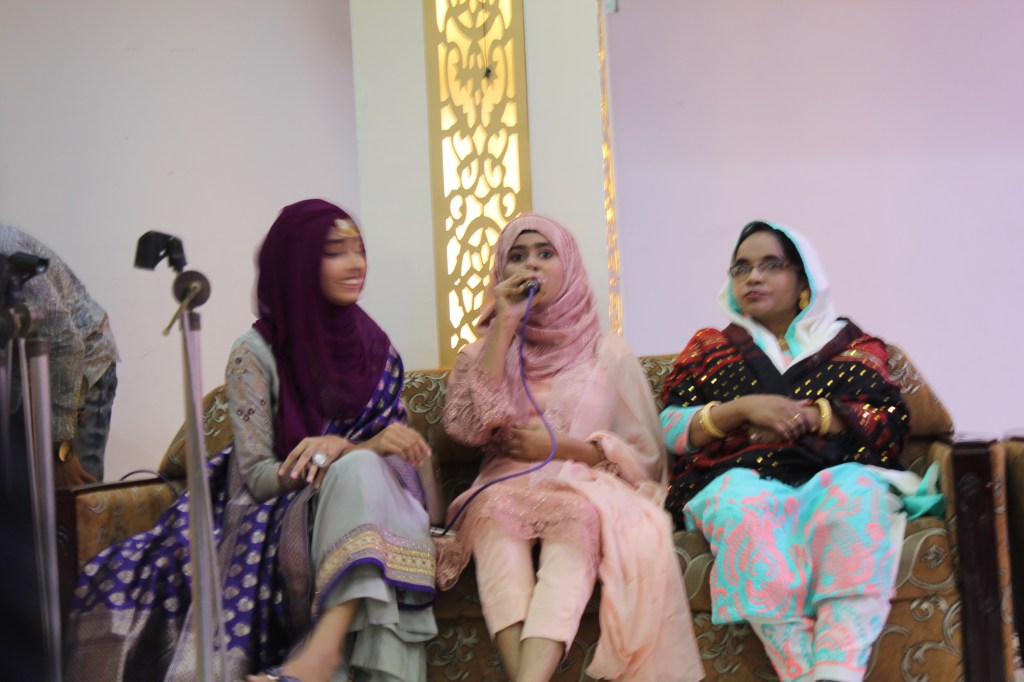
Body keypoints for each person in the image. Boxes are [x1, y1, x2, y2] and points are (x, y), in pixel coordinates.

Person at [64, 200, 441, 682]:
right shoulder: (254, 353)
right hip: (286, 506)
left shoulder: (377, 350)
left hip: (374, 504)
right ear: (297, 262)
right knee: (361, 469)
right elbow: (260, 480)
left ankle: (320, 659)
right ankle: (325, 660)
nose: (356, 264)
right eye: (335, 251)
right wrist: (352, 452)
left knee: (366, 471)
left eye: (359, 249)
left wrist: (356, 450)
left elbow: (411, 469)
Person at [437, 214, 702, 682]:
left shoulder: (608, 352)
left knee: (578, 515)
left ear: (570, 266)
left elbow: (645, 455)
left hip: (583, 483)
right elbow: (468, 429)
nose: (531, 265)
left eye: (545, 253)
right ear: (500, 271)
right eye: (517, 256)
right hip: (503, 484)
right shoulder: (479, 354)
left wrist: (563, 447)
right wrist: (503, 325)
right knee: (495, 515)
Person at [660, 220, 917, 682]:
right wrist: (742, 410)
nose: (753, 277)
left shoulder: (853, 346)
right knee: (740, 509)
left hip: (834, 471)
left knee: (855, 498)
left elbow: (890, 423)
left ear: (803, 280)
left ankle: (837, 668)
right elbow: (671, 430)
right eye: (741, 268)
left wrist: (817, 416)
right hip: (739, 477)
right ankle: (802, 672)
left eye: (770, 265)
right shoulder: (709, 348)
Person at [1, 223, 119, 485]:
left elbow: (65, 342)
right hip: (26, 377)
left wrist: (60, 451)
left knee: (74, 496)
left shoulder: (5, 250)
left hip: (80, 365)